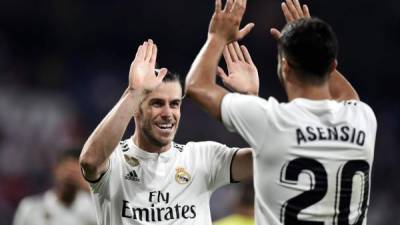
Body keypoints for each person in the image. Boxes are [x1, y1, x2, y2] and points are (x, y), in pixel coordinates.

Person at [185, 0, 377, 224]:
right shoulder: (363, 118)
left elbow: (196, 86)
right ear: (332, 65)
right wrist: (311, 43)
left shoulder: (272, 121)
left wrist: (217, 37)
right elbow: (348, 96)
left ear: (284, 67)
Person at [79, 39, 253, 225]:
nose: (168, 114)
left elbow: (263, 160)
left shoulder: (202, 157)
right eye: (157, 103)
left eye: (175, 104)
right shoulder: (116, 160)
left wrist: (251, 100)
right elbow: (89, 162)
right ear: (136, 109)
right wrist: (133, 92)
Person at [13, 149, 96, 225]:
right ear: (56, 170)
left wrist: (89, 189)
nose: (69, 178)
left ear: (83, 176)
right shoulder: (31, 208)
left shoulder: (93, 210)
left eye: (74, 174)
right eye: (66, 171)